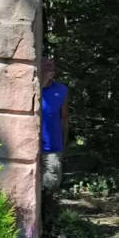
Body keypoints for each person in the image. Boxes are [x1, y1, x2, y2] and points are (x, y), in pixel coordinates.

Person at [40, 57, 70, 192]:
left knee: (50, 187)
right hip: (29, 147)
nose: (49, 71)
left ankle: (48, 211)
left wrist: (63, 146)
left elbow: (64, 119)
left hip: (52, 147)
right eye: (46, 68)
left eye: (51, 68)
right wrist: (41, 84)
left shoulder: (61, 90)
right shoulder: (29, 88)